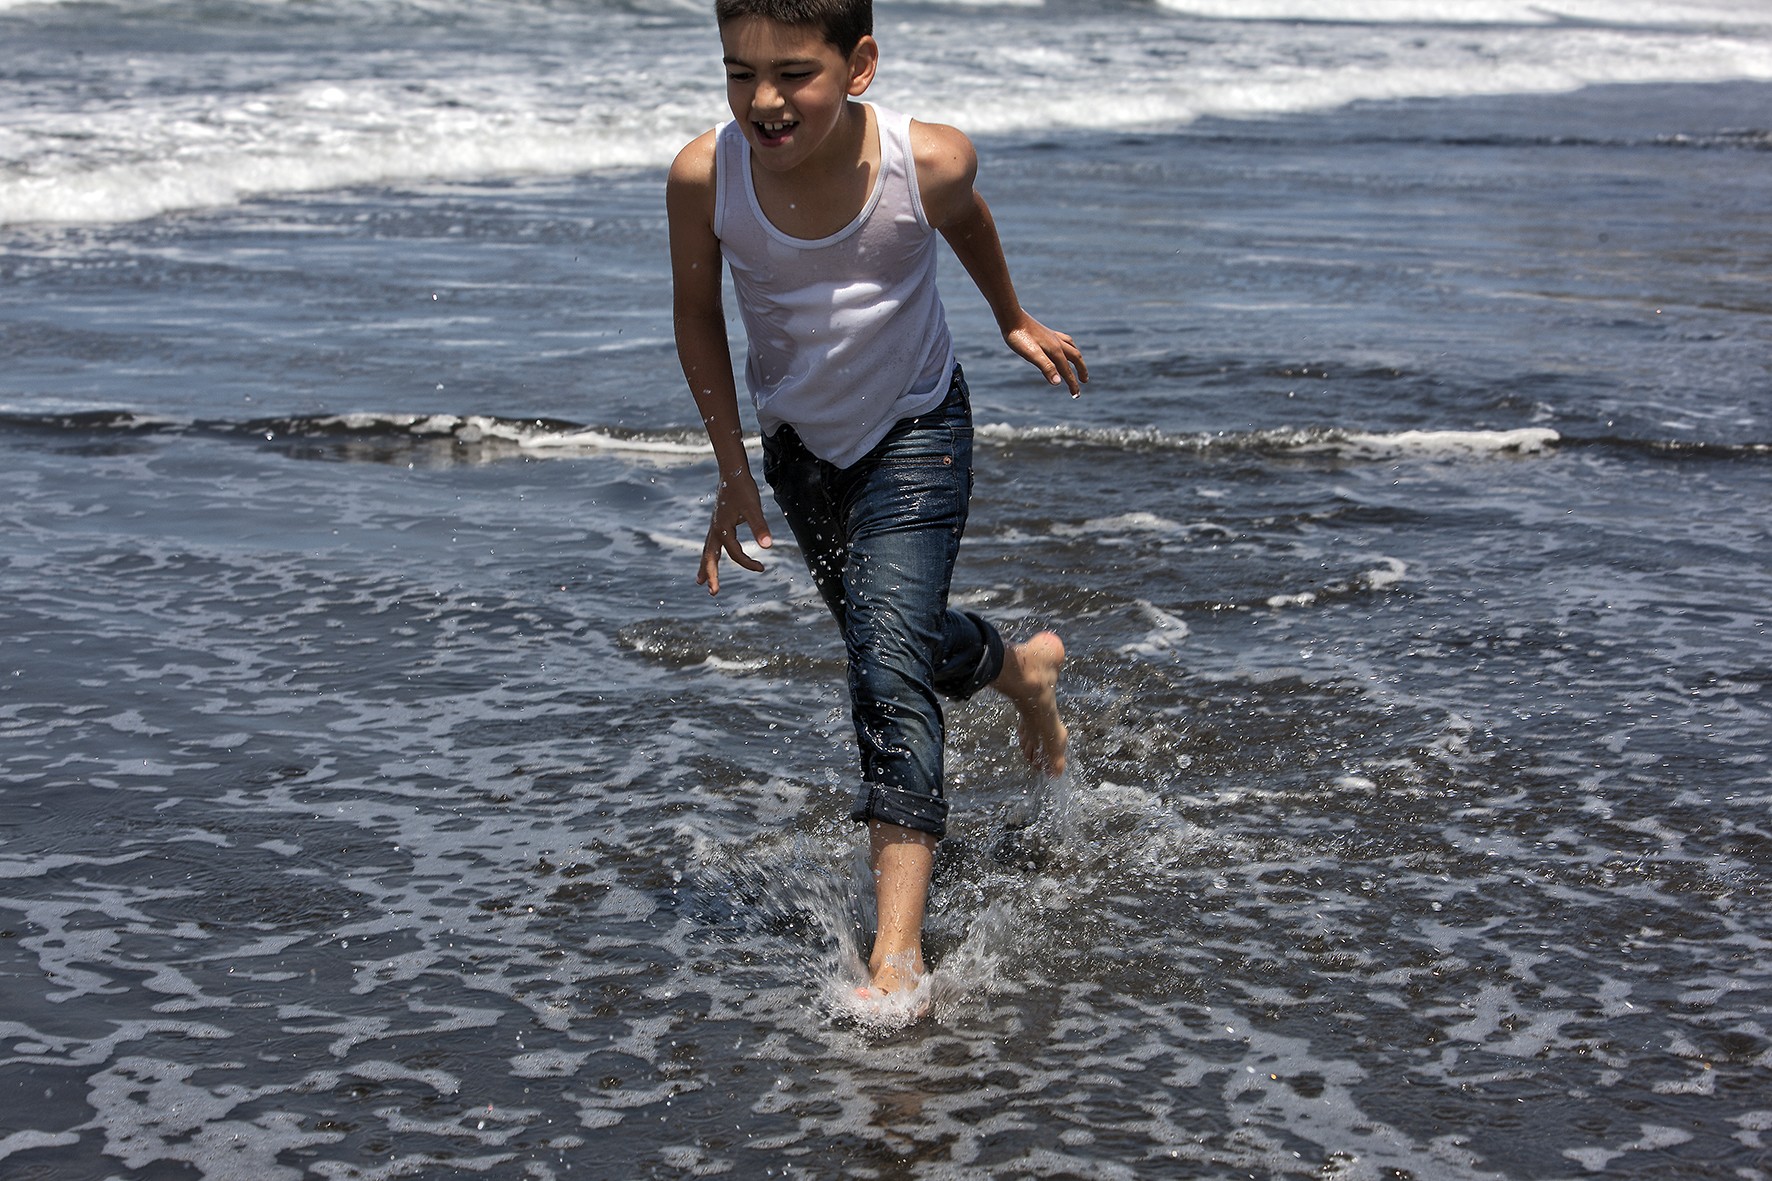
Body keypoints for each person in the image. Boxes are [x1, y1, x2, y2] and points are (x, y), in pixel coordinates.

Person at [666, 0, 1086, 1010]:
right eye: (739, 73)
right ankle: (1020, 665)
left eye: (791, 74)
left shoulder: (924, 161)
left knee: (883, 667)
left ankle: (895, 950)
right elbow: (696, 316)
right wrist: (732, 470)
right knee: (887, 640)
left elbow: (966, 221)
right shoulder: (703, 177)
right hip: (802, 451)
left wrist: (1008, 314)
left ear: (858, 65)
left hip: (916, 427)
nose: (763, 100)